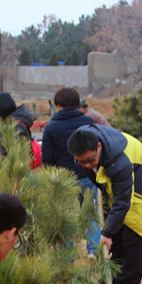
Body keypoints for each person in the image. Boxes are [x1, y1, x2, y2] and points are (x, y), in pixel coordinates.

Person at [67, 125, 142, 284]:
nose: (87, 165)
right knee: (115, 238)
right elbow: (102, 183)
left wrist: (106, 232)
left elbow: (122, 202)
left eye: (90, 160)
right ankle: (108, 283)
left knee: (132, 236)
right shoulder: (83, 141)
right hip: (123, 185)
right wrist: (109, 229)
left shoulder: (119, 161)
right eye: (82, 162)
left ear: (98, 147)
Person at [41, 88, 100, 254]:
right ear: (77, 104)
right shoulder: (87, 121)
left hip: (64, 180)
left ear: (57, 105)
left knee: (65, 217)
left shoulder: (51, 127)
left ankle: (67, 257)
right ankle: (93, 252)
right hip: (87, 175)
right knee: (91, 214)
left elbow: (47, 159)